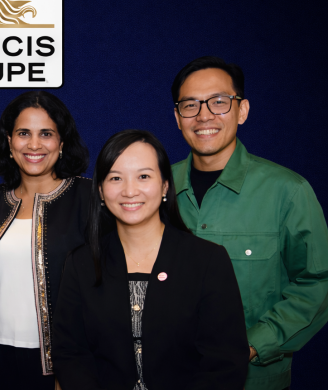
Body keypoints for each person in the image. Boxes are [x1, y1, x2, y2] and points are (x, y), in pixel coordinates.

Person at [170, 56, 328, 390]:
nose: (204, 115)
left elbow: (318, 282)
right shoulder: (154, 189)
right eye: (190, 105)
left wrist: (252, 345)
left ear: (241, 110)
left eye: (219, 101)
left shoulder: (288, 191)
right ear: (177, 118)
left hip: (253, 381)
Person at [53, 129, 249, 390]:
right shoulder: (81, 263)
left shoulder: (208, 260)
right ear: (100, 190)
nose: (129, 191)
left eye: (143, 176)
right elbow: (70, 353)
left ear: (165, 185)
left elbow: (226, 361)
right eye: (115, 178)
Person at [0, 91, 91, 390]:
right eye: (23, 133)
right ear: (9, 142)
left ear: (62, 143)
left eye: (46, 134)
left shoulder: (88, 198)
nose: (34, 144)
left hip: (64, 364)